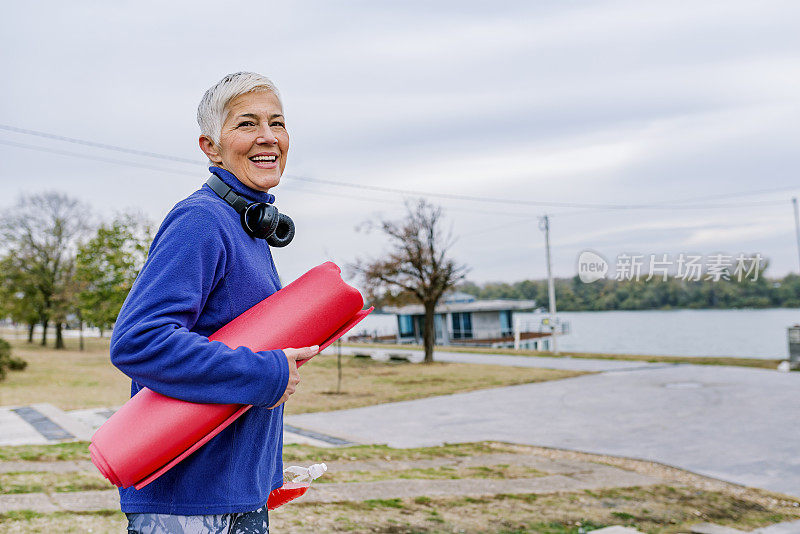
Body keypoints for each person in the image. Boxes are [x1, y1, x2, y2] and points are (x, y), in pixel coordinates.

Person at [110, 72, 317, 534]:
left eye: (277, 123)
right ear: (210, 147)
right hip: (190, 502)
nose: (268, 136)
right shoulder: (201, 221)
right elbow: (138, 342)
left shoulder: (248, 227)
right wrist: (267, 373)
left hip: (234, 493)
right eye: (246, 124)